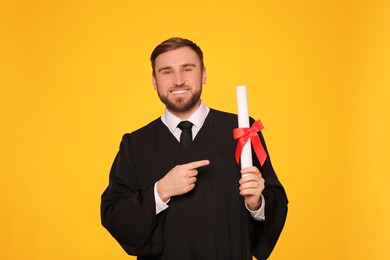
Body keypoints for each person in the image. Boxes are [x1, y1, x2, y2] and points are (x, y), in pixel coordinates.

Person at [101, 37, 288, 260]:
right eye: (166, 72)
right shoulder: (135, 145)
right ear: (154, 80)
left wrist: (257, 203)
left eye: (187, 69)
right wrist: (160, 191)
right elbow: (114, 216)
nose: (178, 80)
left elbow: (276, 202)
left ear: (204, 74)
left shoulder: (242, 131)